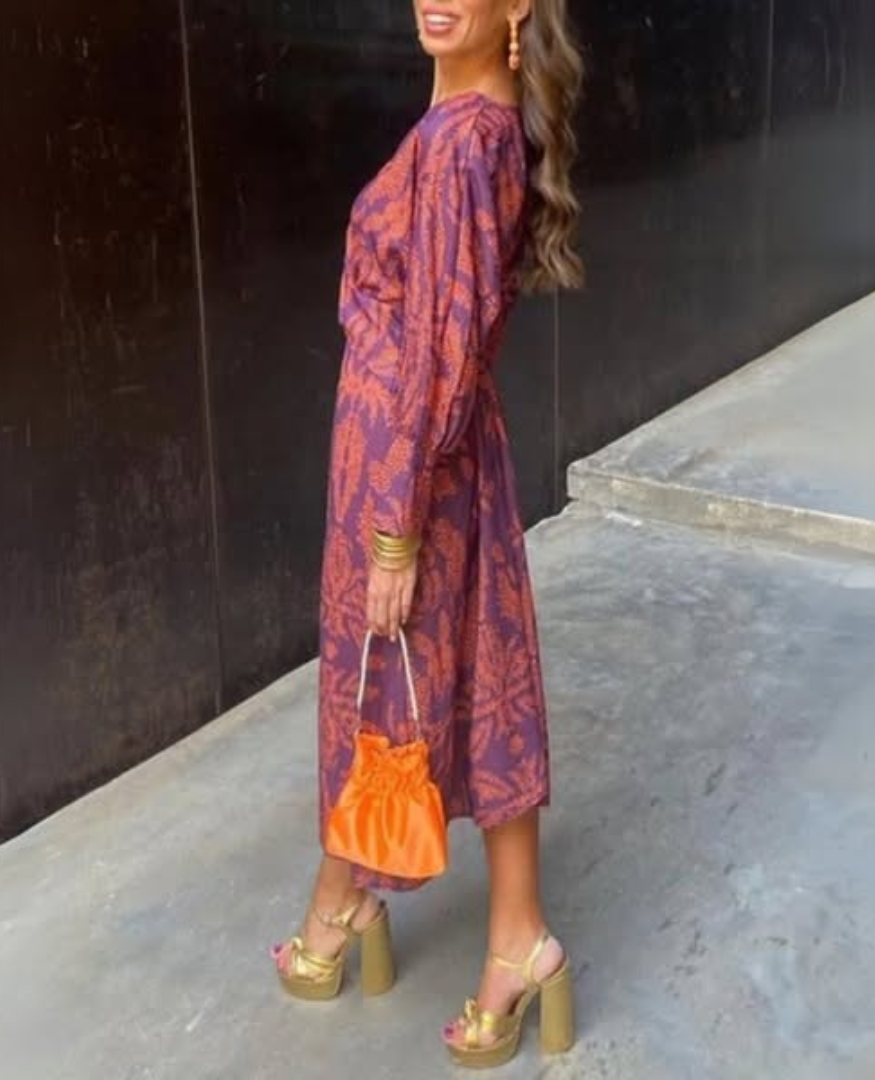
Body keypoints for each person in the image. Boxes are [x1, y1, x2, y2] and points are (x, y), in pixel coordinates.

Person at [271, 0, 584, 1068]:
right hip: (439, 450)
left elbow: (437, 350)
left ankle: (343, 906)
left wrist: (395, 529)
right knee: (475, 677)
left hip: (405, 463)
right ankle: (513, 936)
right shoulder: (473, 122)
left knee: (383, 687)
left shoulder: (462, 144)